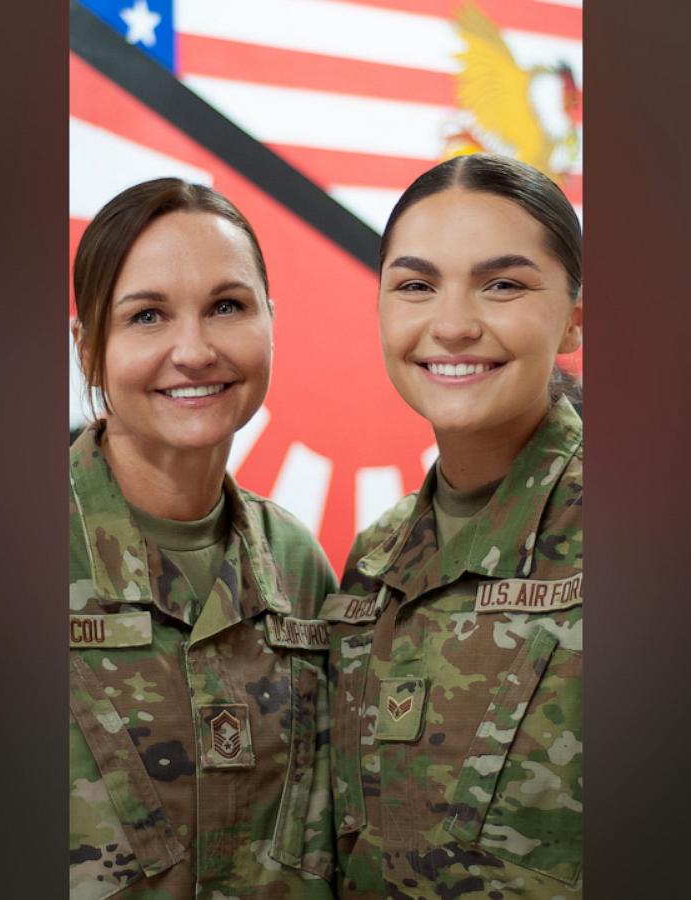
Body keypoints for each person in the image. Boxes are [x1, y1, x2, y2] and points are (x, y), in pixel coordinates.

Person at [68, 178, 337, 899]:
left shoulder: (297, 565)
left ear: (270, 323)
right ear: (89, 347)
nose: (194, 350)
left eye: (227, 307)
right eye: (148, 316)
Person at [325, 154, 585, 899]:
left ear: (574, 315)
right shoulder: (373, 562)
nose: (454, 325)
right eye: (415, 286)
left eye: (502, 285)